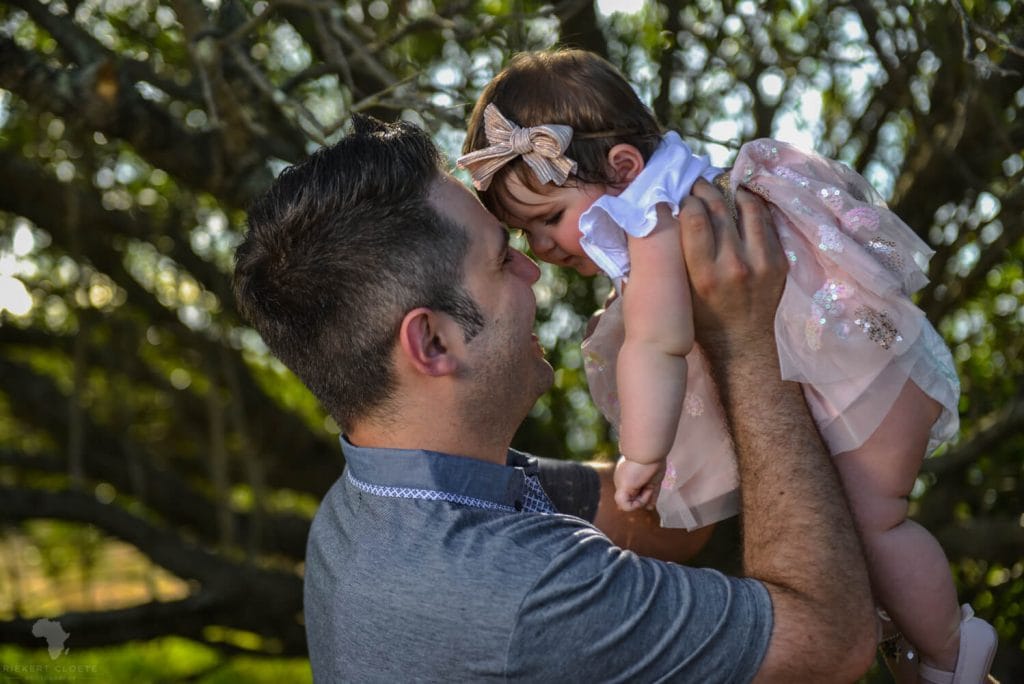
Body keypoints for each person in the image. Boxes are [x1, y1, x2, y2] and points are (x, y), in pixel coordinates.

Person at [234, 114, 877, 682]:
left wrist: (671, 314)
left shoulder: (382, 500)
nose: (533, 268)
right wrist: (747, 343)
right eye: (499, 261)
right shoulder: (519, 593)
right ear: (432, 341)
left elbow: (662, 524)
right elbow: (833, 641)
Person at [458, 48, 997, 683]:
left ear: (623, 168)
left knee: (873, 521)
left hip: (865, 383)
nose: (542, 249)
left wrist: (643, 453)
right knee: (845, 531)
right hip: (862, 370)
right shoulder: (676, 190)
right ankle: (915, 645)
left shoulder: (655, 216)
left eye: (549, 219)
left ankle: (950, 655)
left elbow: (656, 345)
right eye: (526, 236)